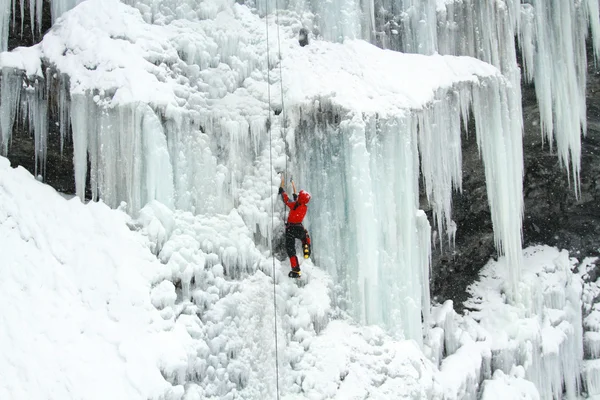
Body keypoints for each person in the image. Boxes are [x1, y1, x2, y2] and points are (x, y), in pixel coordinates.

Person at [278, 174, 311, 278]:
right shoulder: (304, 207)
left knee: (290, 249)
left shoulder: (295, 205)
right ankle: (306, 246)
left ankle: (296, 270)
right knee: (305, 236)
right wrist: (293, 185)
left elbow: (287, 200)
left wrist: (282, 191)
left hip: (291, 229)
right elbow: (297, 199)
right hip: (299, 228)